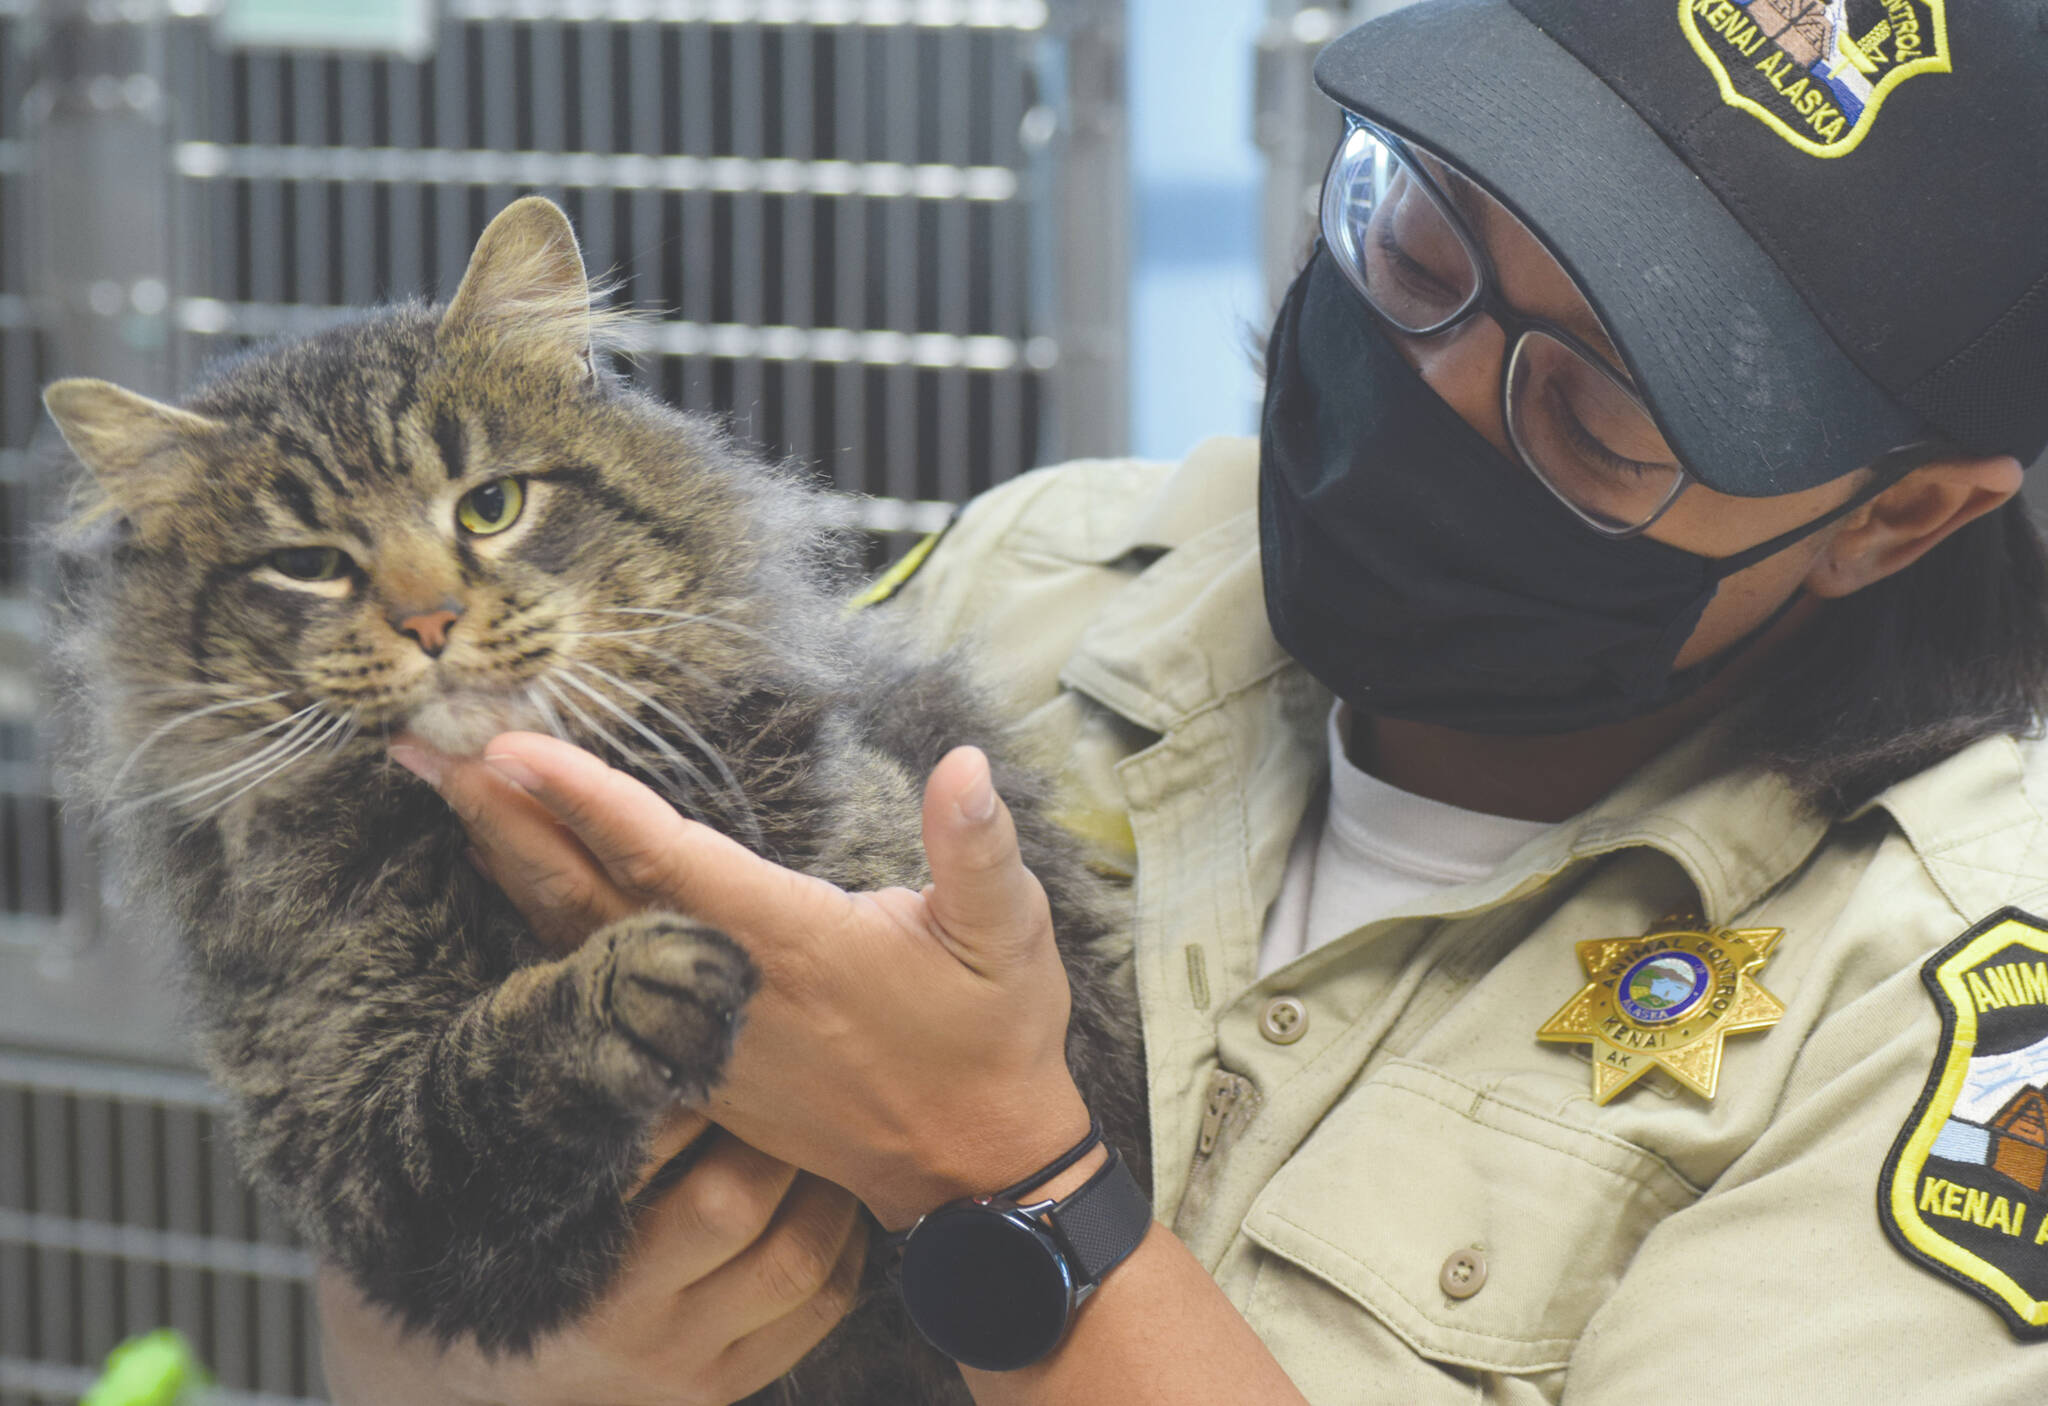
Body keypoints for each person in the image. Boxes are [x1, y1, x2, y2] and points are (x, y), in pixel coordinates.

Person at [317, 0, 2048, 1399]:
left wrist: (1000, 1178)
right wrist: (467, 1356)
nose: (1432, 387)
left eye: (1600, 405)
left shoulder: (1934, 996)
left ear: (1900, 516)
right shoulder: (1044, 579)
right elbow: (401, 1285)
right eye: (1422, 235)